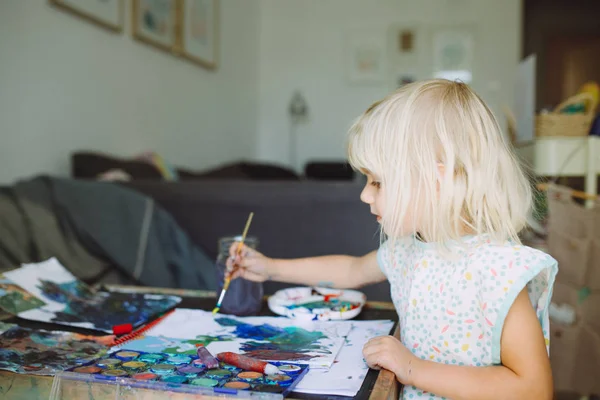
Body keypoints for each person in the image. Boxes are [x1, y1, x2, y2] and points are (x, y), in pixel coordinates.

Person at [227, 79, 557, 400]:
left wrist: (412, 369)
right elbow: (352, 271)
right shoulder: (409, 249)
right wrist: (269, 268)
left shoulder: (500, 269)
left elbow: (533, 389)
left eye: (378, 182)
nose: (365, 195)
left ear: (436, 179)